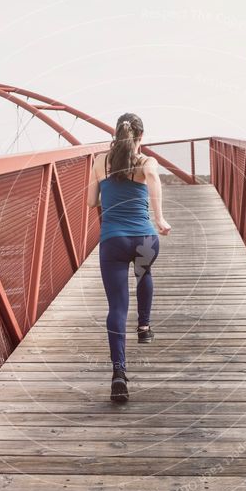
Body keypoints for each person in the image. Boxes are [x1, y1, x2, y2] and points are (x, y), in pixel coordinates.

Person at [86, 113, 172, 403]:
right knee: (144, 273)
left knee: (117, 307)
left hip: (113, 241)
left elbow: (91, 201)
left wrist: (109, 189)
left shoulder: (101, 161)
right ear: (141, 137)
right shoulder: (146, 162)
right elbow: (154, 182)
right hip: (145, 239)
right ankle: (144, 327)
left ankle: (119, 373)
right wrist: (159, 219)